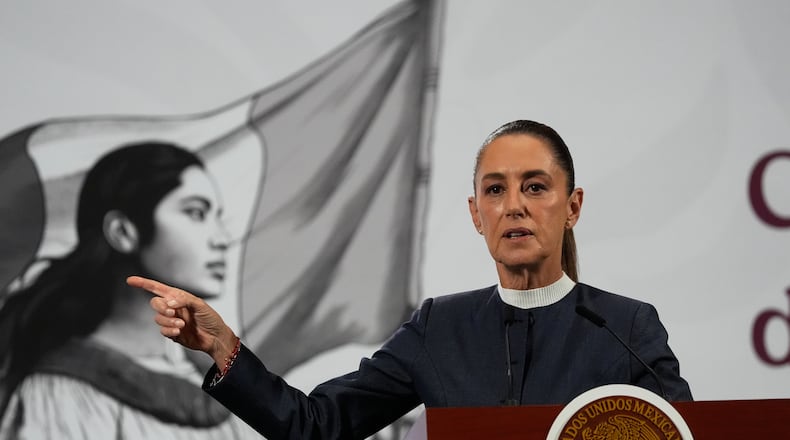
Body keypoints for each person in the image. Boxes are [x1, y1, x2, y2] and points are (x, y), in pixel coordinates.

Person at [128, 120, 693, 439]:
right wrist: (223, 347)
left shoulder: (626, 328)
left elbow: (684, 434)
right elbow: (317, 427)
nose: (514, 206)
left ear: (573, 207)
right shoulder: (440, 327)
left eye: (535, 187)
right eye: (495, 190)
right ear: (476, 214)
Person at [0, 142, 259, 439]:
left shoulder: (218, 381)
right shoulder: (61, 397)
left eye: (217, 216)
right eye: (196, 213)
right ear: (122, 232)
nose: (222, 239)